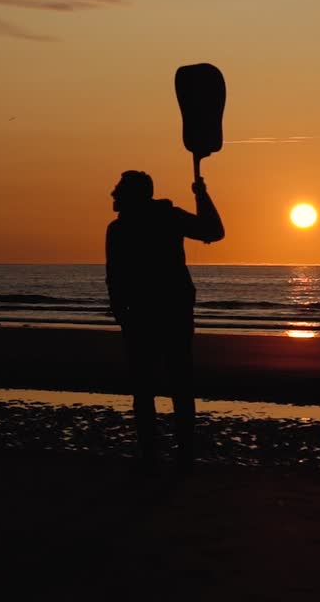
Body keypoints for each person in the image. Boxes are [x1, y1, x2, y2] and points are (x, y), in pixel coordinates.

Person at [105, 170, 224, 473]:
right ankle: (174, 454)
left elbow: (213, 231)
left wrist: (201, 194)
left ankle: (160, 455)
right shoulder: (152, 221)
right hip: (164, 313)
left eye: (119, 190)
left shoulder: (129, 227)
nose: (113, 194)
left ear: (133, 194)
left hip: (154, 314)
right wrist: (201, 195)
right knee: (173, 385)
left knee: (151, 387)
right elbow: (115, 277)